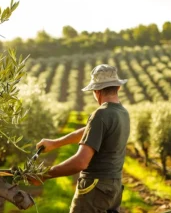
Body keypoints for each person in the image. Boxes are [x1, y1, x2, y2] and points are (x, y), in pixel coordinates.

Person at [34, 64, 130, 213]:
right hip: (114, 187)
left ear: (96, 91)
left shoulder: (101, 114)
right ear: (118, 88)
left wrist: (44, 175)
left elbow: (80, 162)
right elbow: (88, 131)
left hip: (95, 189)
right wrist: (55, 143)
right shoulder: (122, 113)